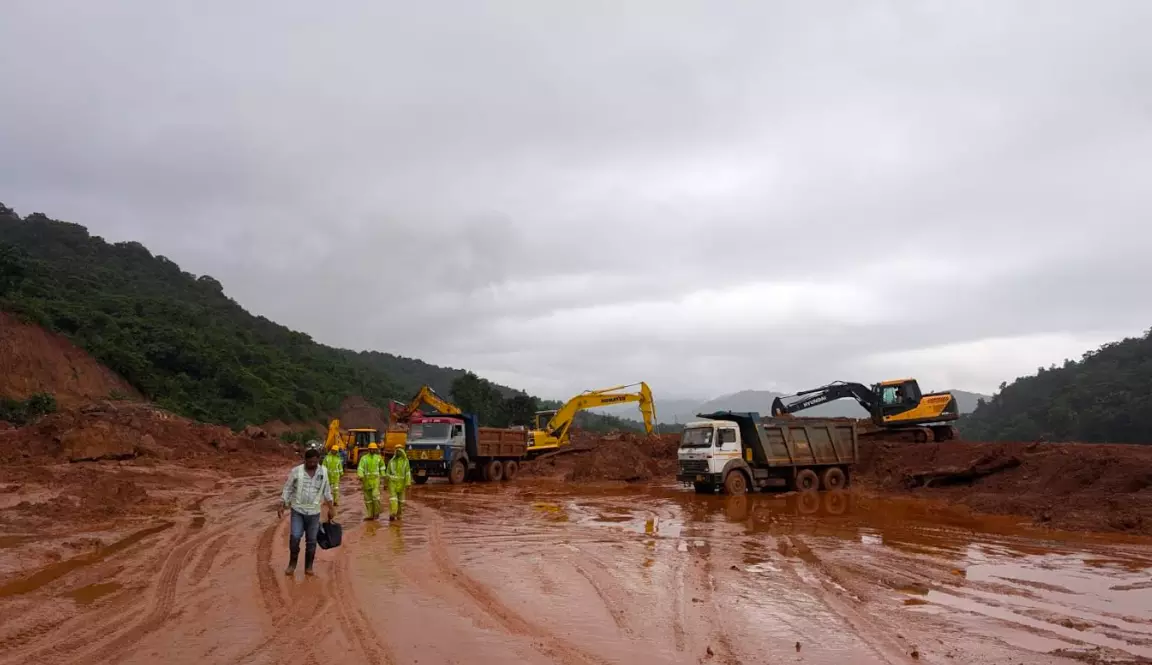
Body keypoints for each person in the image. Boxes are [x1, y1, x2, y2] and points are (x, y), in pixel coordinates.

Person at [278, 447, 335, 576]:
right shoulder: (296, 471)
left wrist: (331, 508)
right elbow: (287, 488)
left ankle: (308, 567)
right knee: (295, 537)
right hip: (298, 510)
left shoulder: (323, 472)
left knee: (311, 541)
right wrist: (282, 504)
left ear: (318, 460)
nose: (312, 465)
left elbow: (327, 492)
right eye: (309, 462)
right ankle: (292, 564)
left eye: (315, 462)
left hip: (314, 512)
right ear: (305, 460)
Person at [357, 442, 384, 520]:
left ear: (376, 450)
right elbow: (360, 468)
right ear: (369, 449)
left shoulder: (379, 458)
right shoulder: (364, 458)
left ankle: (376, 513)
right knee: (368, 499)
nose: (372, 450)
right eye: (371, 449)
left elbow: (382, 467)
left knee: (375, 497)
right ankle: (370, 515)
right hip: (366, 481)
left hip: (375, 480)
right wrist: (360, 475)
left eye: (374, 449)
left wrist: (383, 477)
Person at [385, 446, 413, 522]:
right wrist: (385, 483)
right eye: (397, 451)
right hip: (392, 483)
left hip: (402, 484)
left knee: (401, 501)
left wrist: (408, 484)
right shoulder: (391, 461)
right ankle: (392, 513)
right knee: (393, 499)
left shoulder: (405, 461)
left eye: (400, 450)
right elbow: (387, 473)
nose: (398, 452)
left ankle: (399, 515)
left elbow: (407, 473)